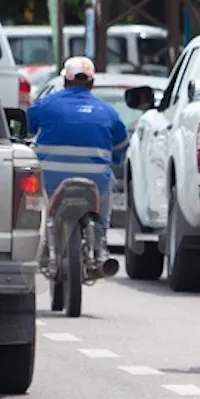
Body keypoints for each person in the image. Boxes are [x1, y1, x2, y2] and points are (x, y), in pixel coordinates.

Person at [27, 56, 128, 266]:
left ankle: (39, 240)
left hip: (51, 181)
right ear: (91, 83)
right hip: (95, 182)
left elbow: (25, 131)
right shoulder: (109, 112)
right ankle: (100, 246)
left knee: (36, 202)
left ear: (65, 81)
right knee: (106, 191)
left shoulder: (44, 105)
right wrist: (114, 162)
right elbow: (121, 149)